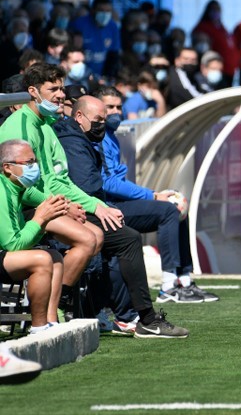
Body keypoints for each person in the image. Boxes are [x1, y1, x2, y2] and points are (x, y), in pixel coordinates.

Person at [53, 94, 191, 337]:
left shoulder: (93, 137)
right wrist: (149, 195)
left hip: (92, 206)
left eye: (115, 110)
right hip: (82, 208)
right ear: (78, 115)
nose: (107, 120)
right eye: (100, 117)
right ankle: (149, 304)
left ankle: (129, 311)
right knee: (129, 236)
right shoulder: (72, 140)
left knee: (132, 234)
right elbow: (97, 184)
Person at [0, 63, 102, 320]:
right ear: (33, 91)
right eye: (53, 89)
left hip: (41, 201)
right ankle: (53, 308)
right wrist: (63, 206)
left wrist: (83, 203)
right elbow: (22, 184)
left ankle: (55, 304)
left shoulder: (44, 123)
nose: (60, 95)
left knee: (96, 236)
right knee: (88, 239)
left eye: (61, 88)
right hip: (24, 205)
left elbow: (56, 179)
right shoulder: (21, 126)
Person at [96, 87, 217, 303]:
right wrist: (152, 195)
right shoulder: (98, 138)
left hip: (117, 203)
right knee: (169, 211)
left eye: (118, 107)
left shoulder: (111, 136)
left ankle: (184, 279)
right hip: (107, 208)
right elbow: (109, 183)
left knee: (179, 208)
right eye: (109, 107)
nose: (116, 112)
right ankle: (168, 287)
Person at [0, 139, 67, 333]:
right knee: (42, 260)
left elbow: (23, 238)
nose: (34, 167)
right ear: (7, 167)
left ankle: (51, 321)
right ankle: (39, 327)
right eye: (28, 163)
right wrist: (39, 219)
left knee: (55, 257)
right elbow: (13, 244)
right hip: (5, 251)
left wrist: (44, 221)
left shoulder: (17, 188)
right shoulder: (3, 192)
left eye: (34, 161)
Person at [67, 0, 121, 79]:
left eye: (108, 11)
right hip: (80, 74)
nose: (105, 14)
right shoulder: (79, 24)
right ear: (93, 10)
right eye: (101, 10)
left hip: (101, 76)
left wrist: (107, 76)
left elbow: (113, 54)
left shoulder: (112, 26)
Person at [191, 0, 239, 86]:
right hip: (214, 71)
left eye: (218, 9)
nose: (216, 12)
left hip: (229, 69)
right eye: (213, 9)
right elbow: (202, 49)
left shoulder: (221, 27)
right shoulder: (203, 27)